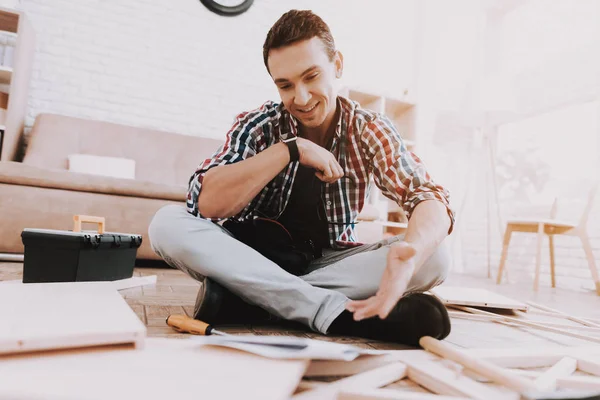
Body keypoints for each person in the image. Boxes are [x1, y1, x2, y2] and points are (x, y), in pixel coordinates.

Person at [149, 9, 455, 346]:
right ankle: (332, 312)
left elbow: (427, 196)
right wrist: (288, 151)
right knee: (165, 224)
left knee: (434, 257)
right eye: (286, 85)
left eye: (311, 77)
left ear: (337, 65)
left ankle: (251, 299)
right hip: (249, 254)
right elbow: (207, 203)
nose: (302, 97)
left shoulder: (369, 129)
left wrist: (410, 251)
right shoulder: (258, 126)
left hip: (326, 264)